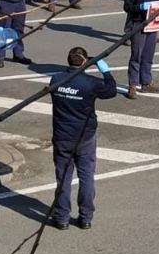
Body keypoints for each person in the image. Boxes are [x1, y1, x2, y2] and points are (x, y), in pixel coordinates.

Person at [48, 46, 117, 230]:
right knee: (86, 176)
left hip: (62, 136)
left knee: (63, 177)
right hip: (85, 136)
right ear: (85, 62)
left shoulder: (56, 79)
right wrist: (106, 71)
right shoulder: (90, 83)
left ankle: (61, 218)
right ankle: (85, 217)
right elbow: (111, 91)